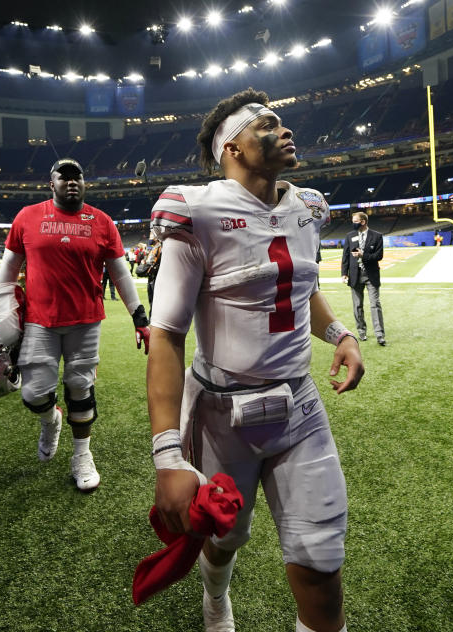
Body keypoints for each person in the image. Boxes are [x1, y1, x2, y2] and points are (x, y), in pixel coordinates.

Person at [147, 89, 364, 632]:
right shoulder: (195, 212)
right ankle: (216, 596)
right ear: (233, 149)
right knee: (224, 538)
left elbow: (297, 286)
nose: (284, 129)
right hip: (222, 412)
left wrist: (339, 333)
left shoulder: (307, 207)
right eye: (267, 124)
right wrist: (167, 457)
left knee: (321, 563)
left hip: (300, 405)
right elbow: (167, 335)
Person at [0, 158, 151, 492]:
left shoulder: (102, 221)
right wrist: (0, 310)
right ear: (50, 184)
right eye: (62, 177)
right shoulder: (27, 216)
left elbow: (120, 272)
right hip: (39, 321)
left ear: (84, 183)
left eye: (76, 176)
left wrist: (139, 316)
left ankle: (82, 454)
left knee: (81, 389)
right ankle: (51, 419)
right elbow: (10, 267)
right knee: (34, 392)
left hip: (85, 321)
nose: (70, 182)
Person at [341, 211, 386, 346]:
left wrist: (363, 255)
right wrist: (344, 273)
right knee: (357, 305)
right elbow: (346, 256)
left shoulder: (377, 236)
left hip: (371, 275)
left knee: (375, 305)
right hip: (355, 275)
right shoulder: (350, 236)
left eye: (355, 221)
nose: (353, 223)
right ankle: (361, 331)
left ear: (363, 221)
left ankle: (380, 335)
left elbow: (379, 256)